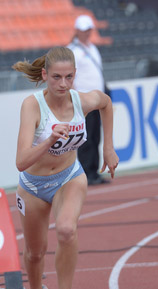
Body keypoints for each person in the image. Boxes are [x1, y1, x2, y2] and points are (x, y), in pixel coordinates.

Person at [12, 46, 118, 289]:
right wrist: (47, 141)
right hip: (33, 186)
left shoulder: (81, 100)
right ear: (45, 75)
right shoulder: (32, 106)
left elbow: (106, 102)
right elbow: (21, 162)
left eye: (69, 77)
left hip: (69, 177)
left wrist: (108, 147)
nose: (62, 84)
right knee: (35, 253)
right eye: (56, 77)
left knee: (67, 230)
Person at [67, 14, 110, 185]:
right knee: (86, 138)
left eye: (88, 30)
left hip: (96, 100)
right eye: (83, 30)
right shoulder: (72, 50)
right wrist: (75, 97)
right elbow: (68, 76)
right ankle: (86, 173)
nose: (86, 33)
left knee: (95, 136)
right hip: (83, 100)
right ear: (77, 31)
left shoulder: (92, 48)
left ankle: (94, 171)